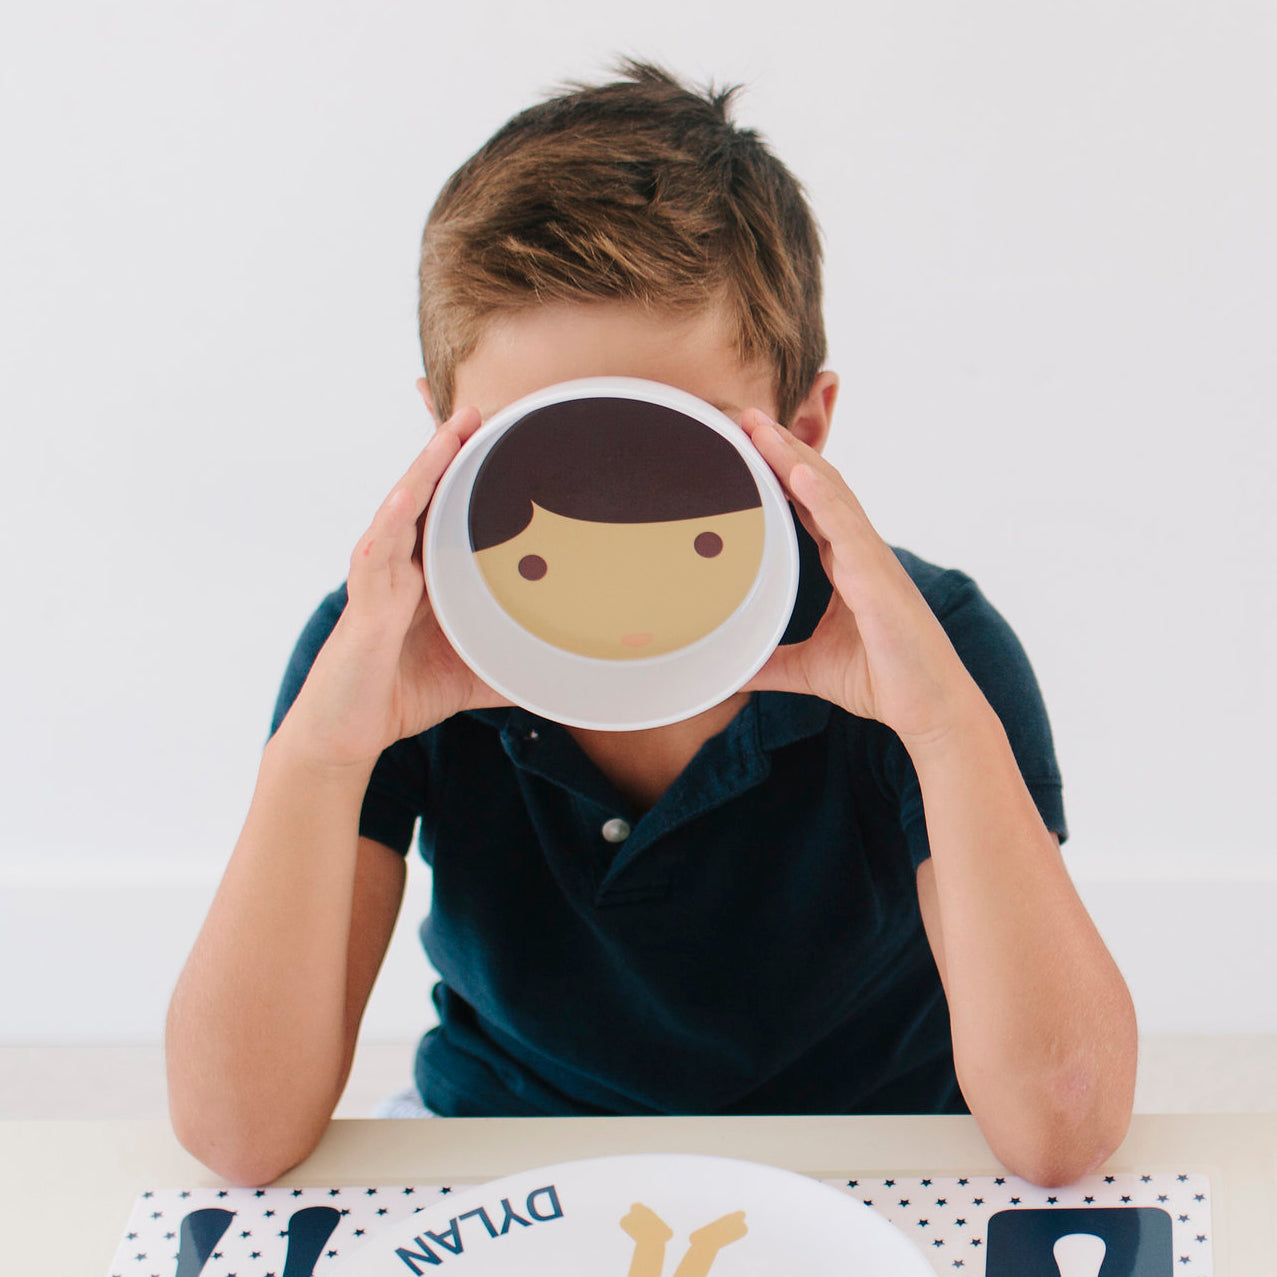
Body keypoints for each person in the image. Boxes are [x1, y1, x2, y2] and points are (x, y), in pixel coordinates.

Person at [165, 60, 1137, 1188]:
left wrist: (943, 726)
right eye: (542, 456)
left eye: (680, 460)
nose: (617, 530)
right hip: (509, 1152)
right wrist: (323, 756)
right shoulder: (384, 651)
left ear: (801, 434)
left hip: (867, 1159)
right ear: (443, 441)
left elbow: (1062, 1131)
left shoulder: (930, 647)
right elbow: (238, 1136)